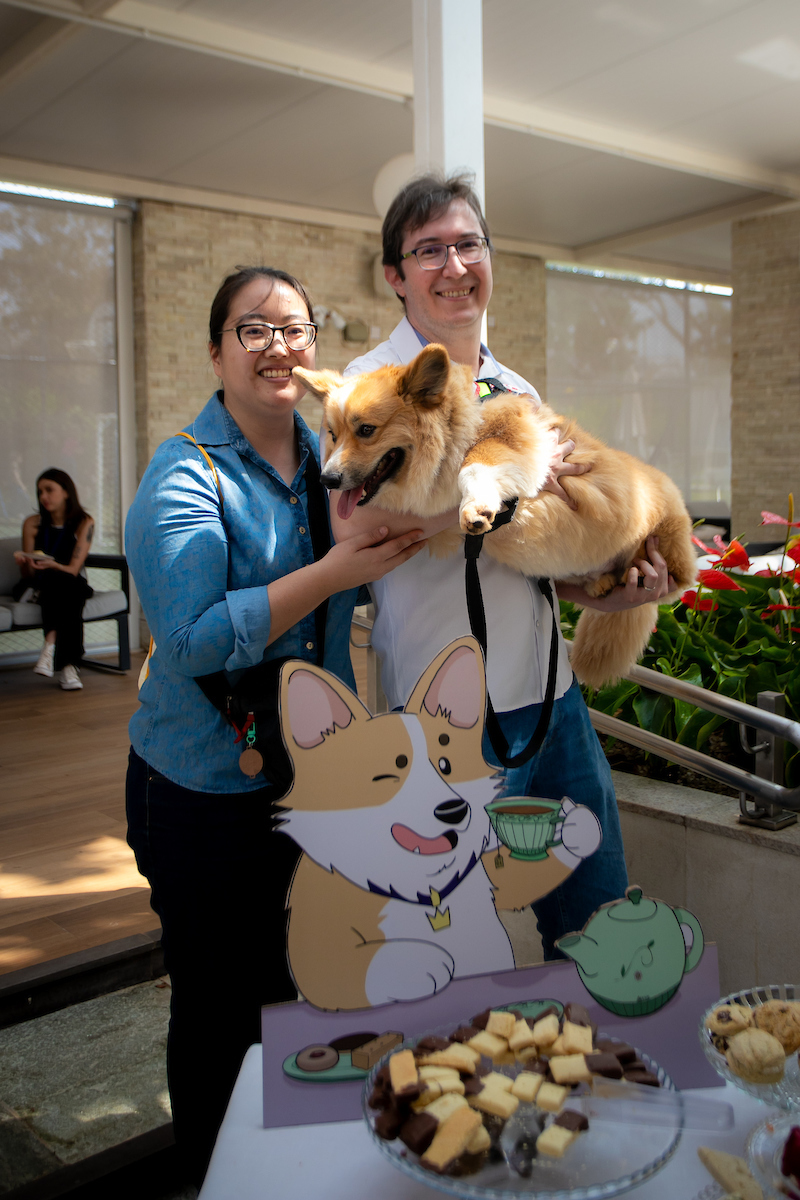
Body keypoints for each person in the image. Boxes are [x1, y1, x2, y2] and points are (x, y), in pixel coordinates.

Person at [124, 265, 425, 1183]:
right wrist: (334, 570)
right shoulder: (184, 472)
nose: (279, 347)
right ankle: (215, 1178)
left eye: (295, 329)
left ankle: (286, 1176)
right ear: (216, 351)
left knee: (302, 992)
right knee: (221, 1013)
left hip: (316, 782)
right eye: (252, 330)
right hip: (203, 789)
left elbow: (421, 538)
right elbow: (186, 643)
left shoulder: (340, 456)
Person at [335, 174, 674, 960]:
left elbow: (534, 550)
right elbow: (351, 518)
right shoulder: (366, 389)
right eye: (429, 251)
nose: (454, 265)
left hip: (554, 703)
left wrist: (606, 589)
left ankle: (598, 1074)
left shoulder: (514, 389)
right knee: (446, 941)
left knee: (598, 925)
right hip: (449, 721)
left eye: (468, 244)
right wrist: (497, 490)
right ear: (395, 275)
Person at [13, 468, 94, 691]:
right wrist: (26, 564)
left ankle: (50, 647)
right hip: (40, 584)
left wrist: (54, 564)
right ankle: (69, 667)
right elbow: (29, 577)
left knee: (67, 584)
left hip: (68, 581)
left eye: (49, 490)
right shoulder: (32, 523)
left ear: (66, 492)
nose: (43, 497)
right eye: (40, 492)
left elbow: (74, 569)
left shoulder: (84, 522)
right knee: (66, 588)